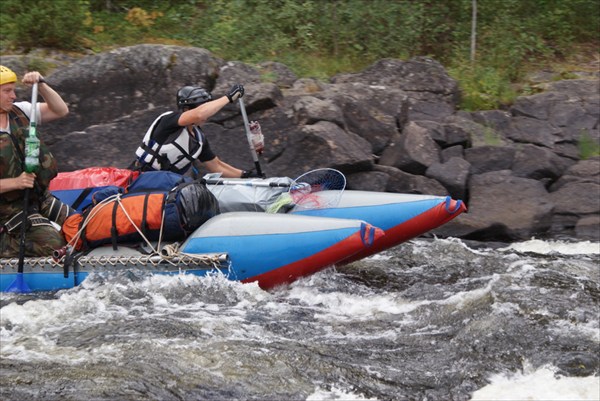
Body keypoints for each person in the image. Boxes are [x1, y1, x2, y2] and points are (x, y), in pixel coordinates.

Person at [0, 65, 72, 258]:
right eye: (7, 91)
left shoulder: (20, 111)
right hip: (7, 211)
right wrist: (15, 183)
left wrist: (41, 85)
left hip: (39, 198)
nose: (13, 96)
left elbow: (60, 110)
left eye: (13, 90)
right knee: (54, 244)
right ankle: (4, 244)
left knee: (80, 226)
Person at [131, 84, 262, 178]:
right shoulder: (169, 121)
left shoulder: (199, 140)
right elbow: (199, 114)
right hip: (140, 178)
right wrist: (228, 97)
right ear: (187, 109)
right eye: (204, 106)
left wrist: (247, 175)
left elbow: (216, 166)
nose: (208, 114)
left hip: (164, 185)